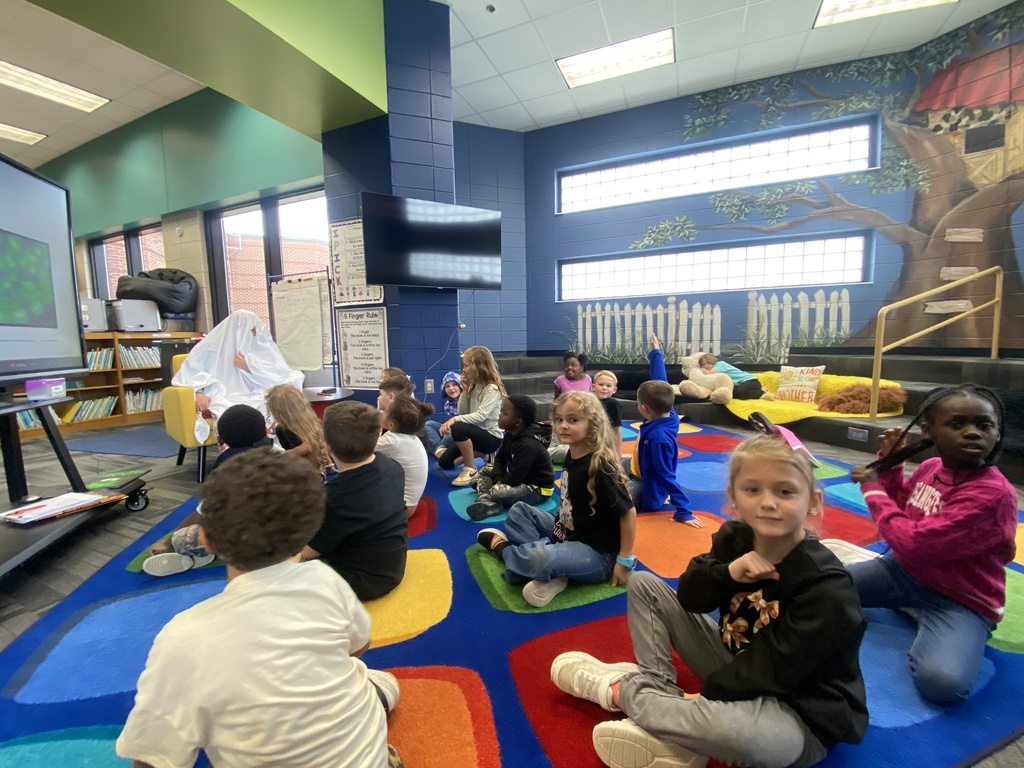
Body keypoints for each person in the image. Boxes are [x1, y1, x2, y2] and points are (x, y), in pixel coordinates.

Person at [551, 432, 868, 768]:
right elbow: (690, 598)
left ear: (814, 501)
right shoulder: (735, 538)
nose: (768, 502)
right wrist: (727, 573)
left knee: (753, 740)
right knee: (643, 584)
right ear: (733, 497)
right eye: (752, 490)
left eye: (785, 491)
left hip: (797, 710)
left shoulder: (827, 588)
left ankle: (621, 691)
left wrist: (706, 696)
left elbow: (774, 670)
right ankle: (664, 698)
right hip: (734, 664)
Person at [116, 448, 403, 768]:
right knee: (380, 682)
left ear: (207, 540)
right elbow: (359, 646)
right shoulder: (326, 580)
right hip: (366, 758)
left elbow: (150, 758)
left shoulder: (182, 638)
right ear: (309, 532)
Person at [840, 383, 1016, 707]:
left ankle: (943, 623)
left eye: (984, 425)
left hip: (960, 598)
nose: (972, 432)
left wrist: (872, 489)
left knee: (943, 684)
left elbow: (913, 543)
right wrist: (890, 465)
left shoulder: (992, 494)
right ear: (929, 431)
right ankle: (907, 604)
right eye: (956, 424)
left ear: (997, 433)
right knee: (822, 587)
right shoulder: (930, 467)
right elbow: (902, 506)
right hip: (904, 572)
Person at [476, 391, 637, 608]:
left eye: (573, 420)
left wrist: (624, 560)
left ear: (593, 424)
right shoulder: (572, 453)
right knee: (519, 511)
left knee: (540, 558)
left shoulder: (600, 466)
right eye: (559, 420)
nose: (563, 426)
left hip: (598, 555)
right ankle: (554, 570)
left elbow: (628, 513)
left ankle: (506, 551)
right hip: (566, 532)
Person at [142, 403, 273, 577]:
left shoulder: (225, 470)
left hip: (243, 539)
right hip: (282, 533)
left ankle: (200, 553)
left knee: (186, 536)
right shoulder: (280, 455)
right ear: (265, 431)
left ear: (221, 440)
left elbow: (203, 512)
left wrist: (168, 542)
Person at [300, 401, 409, 601]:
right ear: (378, 435)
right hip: (393, 566)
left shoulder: (335, 496)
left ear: (327, 446)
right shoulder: (393, 466)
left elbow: (308, 553)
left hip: (364, 582)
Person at [171, 309, 303, 440]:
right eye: (250, 330)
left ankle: (270, 446)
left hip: (258, 394)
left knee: (273, 404)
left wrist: (250, 367)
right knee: (231, 410)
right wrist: (198, 392)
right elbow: (190, 373)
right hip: (228, 395)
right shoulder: (210, 349)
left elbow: (278, 374)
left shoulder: (261, 345)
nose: (255, 333)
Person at [625, 379, 705, 528]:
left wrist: (684, 511)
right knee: (602, 463)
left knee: (615, 498)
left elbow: (666, 475)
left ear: (644, 408)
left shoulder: (659, 439)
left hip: (645, 482)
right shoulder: (669, 415)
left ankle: (661, 496)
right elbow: (661, 377)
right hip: (634, 464)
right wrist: (655, 361)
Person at [466, 394, 555, 521]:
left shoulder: (528, 445)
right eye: (501, 410)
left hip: (537, 489)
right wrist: (498, 479)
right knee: (485, 470)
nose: (500, 414)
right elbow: (499, 460)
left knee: (498, 492)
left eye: (505, 413)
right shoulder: (510, 435)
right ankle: (488, 499)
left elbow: (515, 478)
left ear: (517, 422)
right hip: (518, 479)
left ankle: (486, 497)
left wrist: (499, 484)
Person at [437, 346, 505, 487]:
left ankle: (470, 468)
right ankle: (482, 454)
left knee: (458, 427)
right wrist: (465, 390)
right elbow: (464, 414)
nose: (464, 369)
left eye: (466, 365)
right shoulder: (473, 386)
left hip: (491, 437)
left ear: (478, 366)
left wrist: (454, 419)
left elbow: (481, 416)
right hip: (475, 435)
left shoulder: (492, 389)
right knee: (444, 463)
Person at [551, 369, 623, 464]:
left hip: (591, 446)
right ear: (593, 387)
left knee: (558, 451)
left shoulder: (612, 403)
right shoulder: (588, 402)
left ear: (614, 389)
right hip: (578, 440)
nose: (604, 388)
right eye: (601, 384)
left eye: (608, 386)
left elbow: (616, 430)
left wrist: (617, 454)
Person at [377, 397, 434, 516]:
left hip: (402, 508)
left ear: (391, 424)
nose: (382, 413)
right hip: (409, 504)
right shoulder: (409, 436)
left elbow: (362, 449)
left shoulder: (393, 440)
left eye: (385, 411)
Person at [265, 383, 329, 474]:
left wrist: (277, 457)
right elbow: (320, 444)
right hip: (318, 467)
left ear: (277, 410)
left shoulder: (283, 428)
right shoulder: (311, 420)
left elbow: (305, 448)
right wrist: (329, 464)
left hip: (300, 471)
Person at [696, 352, 765, 400]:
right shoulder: (716, 370)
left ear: (712, 361)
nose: (706, 366)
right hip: (741, 384)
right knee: (733, 394)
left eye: (708, 363)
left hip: (751, 381)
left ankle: (762, 392)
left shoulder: (720, 365)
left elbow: (708, 373)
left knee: (740, 393)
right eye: (703, 365)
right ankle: (756, 392)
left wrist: (700, 368)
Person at [425, 371, 462, 454]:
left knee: (450, 434)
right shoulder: (448, 405)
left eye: (454, 384)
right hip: (452, 430)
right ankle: (440, 450)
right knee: (429, 424)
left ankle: (440, 449)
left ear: (460, 386)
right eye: (447, 386)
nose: (451, 388)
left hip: (463, 431)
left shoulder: (468, 400)